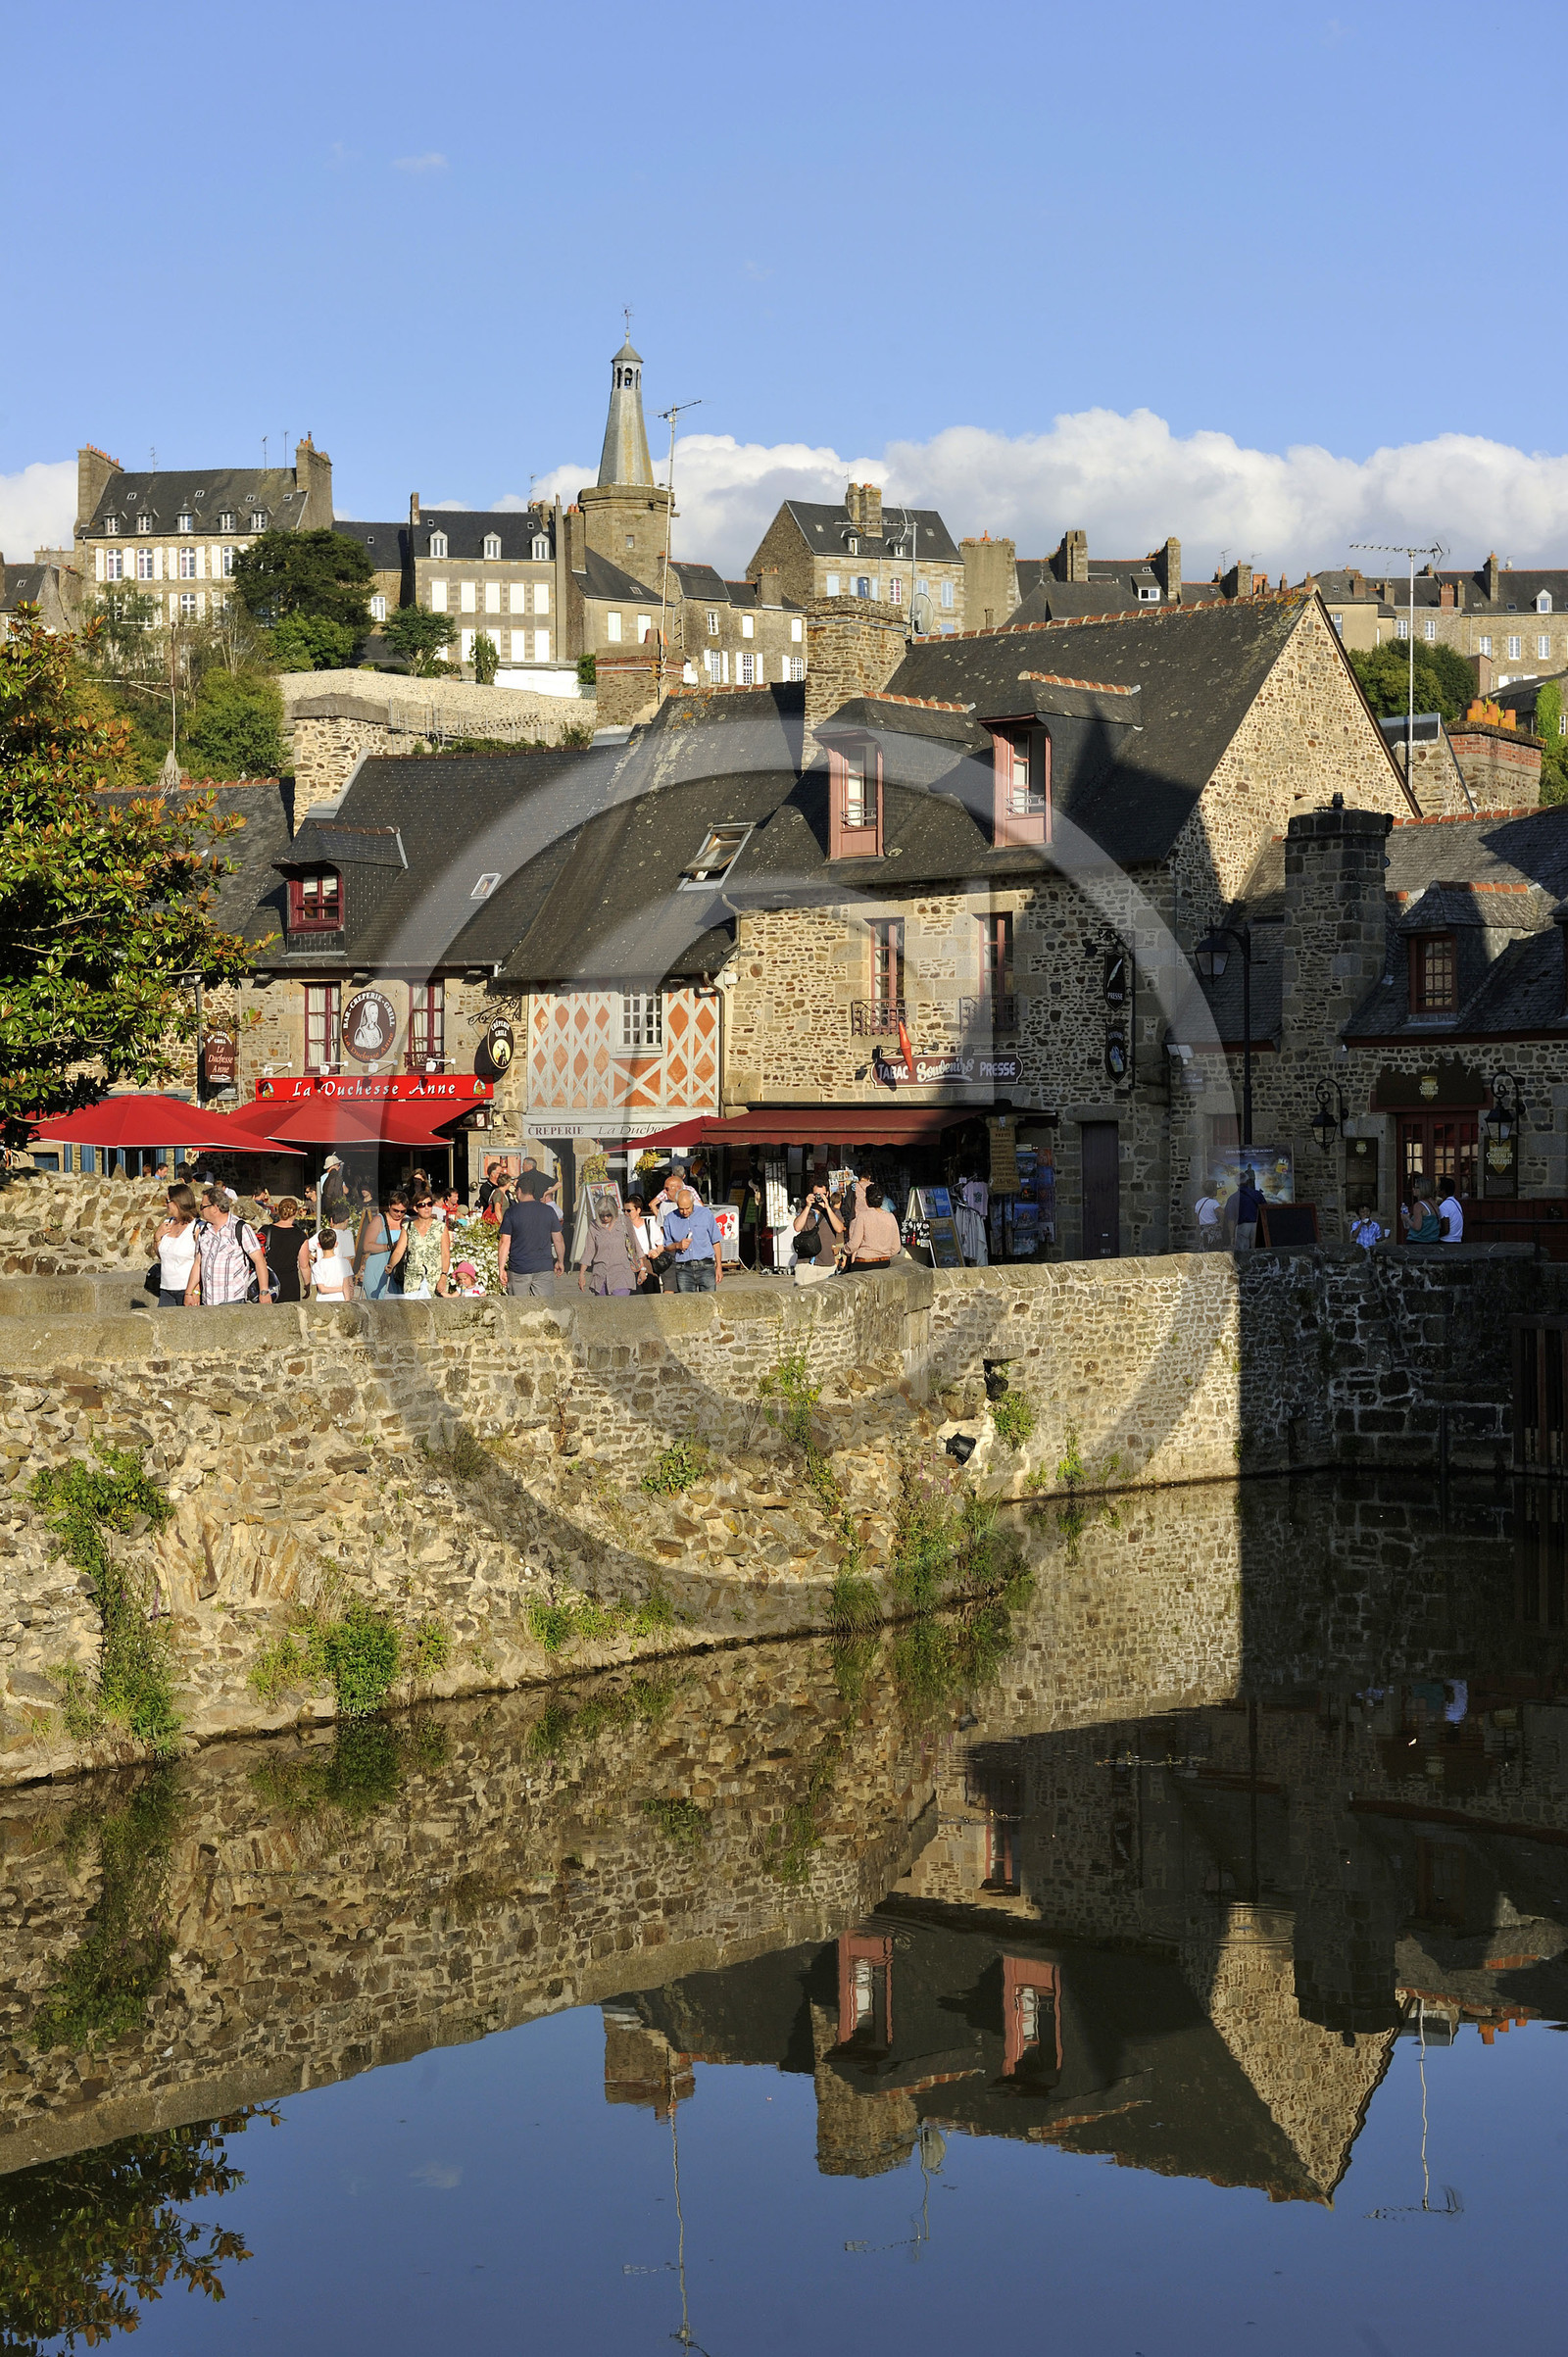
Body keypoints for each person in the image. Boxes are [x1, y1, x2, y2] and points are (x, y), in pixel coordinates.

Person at [186, 1187, 270, 1307]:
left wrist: (264, 1291)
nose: (200, 1211)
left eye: (202, 1207)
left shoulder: (240, 1229)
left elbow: (259, 1260)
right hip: (207, 1303)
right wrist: (190, 1292)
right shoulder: (204, 1231)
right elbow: (198, 1263)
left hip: (233, 1302)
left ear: (215, 1208)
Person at [497, 1174, 564, 1296]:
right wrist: (560, 1261)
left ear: (520, 1190)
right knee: (544, 1309)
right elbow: (558, 1239)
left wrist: (501, 1269)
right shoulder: (548, 1211)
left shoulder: (511, 1212)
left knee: (519, 1310)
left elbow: (504, 1242)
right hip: (543, 1267)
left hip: (519, 1268)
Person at [391, 1192, 452, 1298]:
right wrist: (390, 1266)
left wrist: (443, 1276)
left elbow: (445, 1254)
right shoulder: (407, 1227)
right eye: (422, 1205)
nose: (427, 1208)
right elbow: (399, 1250)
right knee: (412, 1312)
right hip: (412, 1280)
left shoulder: (441, 1227)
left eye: (429, 1204)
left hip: (434, 1279)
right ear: (415, 1208)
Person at [578, 1203, 646, 1296]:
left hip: (622, 1274)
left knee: (619, 1307)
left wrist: (642, 1269)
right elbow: (588, 1251)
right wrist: (581, 1274)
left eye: (608, 1215)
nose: (605, 1218)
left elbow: (635, 1245)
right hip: (600, 1275)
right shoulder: (594, 1226)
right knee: (603, 1308)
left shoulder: (624, 1221)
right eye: (602, 1215)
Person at [664, 1184, 722, 1292]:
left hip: (706, 1266)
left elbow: (716, 1241)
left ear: (692, 1203)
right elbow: (666, 1246)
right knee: (687, 1304)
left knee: (708, 1302)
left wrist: (719, 1267)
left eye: (687, 1208)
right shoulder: (670, 1218)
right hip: (683, 1268)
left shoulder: (705, 1214)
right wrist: (677, 1245)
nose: (685, 1212)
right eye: (681, 1209)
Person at [154, 1182, 200, 1307]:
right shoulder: (167, 1223)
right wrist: (157, 1238)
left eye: (168, 1200)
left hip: (186, 1289)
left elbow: (201, 1261)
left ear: (177, 1202)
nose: (166, 1205)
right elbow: (162, 1255)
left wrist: (195, 1291)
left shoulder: (196, 1227)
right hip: (165, 1289)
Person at [791, 1184, 844, 1288]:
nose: (819, 1197)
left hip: (826, 1263)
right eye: (816, 1195)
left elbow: (839, 1228)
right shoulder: (804, 1210)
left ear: (827, 1194)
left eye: (823, 1194)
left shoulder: (834, 1212)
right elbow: (797, 1227)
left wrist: (828, 1207)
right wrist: (807, 1206)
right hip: (805, 1264)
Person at [260, 1196, 309, 1305]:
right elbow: (304, 1265)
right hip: (289, 1284)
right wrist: (307, 1284)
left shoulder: (265, 1230)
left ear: (278, 1211)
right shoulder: (300, 1236)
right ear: (295, 1213)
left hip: (268, 1281)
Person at [846, 1180, 904, 1268]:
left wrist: (843, 1250)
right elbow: (896, 1247)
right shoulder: (890, 1217)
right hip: (884, 1262)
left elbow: (854, 1244)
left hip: (864, 1262)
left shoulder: (863, 1216)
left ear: (866, 1200)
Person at [354, 1195, 398, 1300]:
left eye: (402, 1211)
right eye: (396, 1210)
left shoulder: (406, 1221)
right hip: (377, 1270)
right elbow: (367, 1246)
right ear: (389, 1206)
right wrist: (389, 1247)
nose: (399, 1214)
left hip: (398, 1274)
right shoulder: (379, 1220)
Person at [625, 1192, 667, 1293]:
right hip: (629, 1263)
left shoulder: (649, 1224)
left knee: (650, 1293)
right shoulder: (623, 1227)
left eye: (629, 1210)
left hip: (647, 1261)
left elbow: (662, 1244)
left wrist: (656, 1251)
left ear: (638, 1210)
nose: (626, 1213)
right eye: (624, 1210)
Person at [310, 1224, 356, 1302]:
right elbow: (346, 1287)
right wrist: (343, 1289)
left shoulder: (317, 1266)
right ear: (336, 1244)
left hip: (323, 1302)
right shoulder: (344, 1263)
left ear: (319, 1245)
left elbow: (322, 1289)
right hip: (341, 1299)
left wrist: (343, 1288)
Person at [1229, 1167, 1264, 1251]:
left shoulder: (1233, 1198)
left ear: (1237, 1184)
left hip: (1242, 1226)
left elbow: (1231, 1219)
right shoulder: (1257, 1194)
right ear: (1248, 1181)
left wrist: (1231, 1236)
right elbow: (1264, 1210)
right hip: (1257, 1225)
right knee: (1257, 1250)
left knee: (1243, 1251)